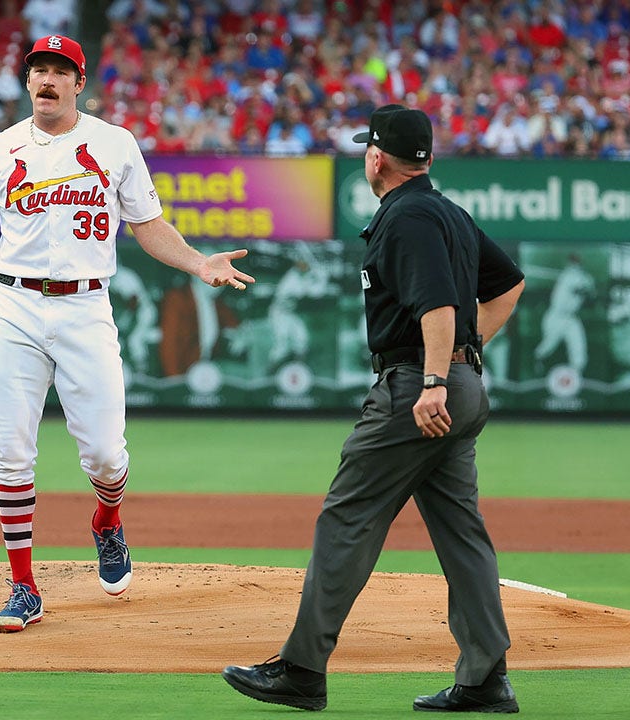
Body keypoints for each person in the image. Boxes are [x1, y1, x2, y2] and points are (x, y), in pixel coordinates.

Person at [0, 34, 254, 633]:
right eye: (38, 69)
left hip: (85, 307)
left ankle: (108, 519)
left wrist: (200, 263)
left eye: (59, 70)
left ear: (79, 81)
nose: (47, 79)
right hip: (14, 305)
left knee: (104, 454)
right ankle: (23, 586)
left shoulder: (114, 144)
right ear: (27, 82)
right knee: (11, 453)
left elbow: (148, 227)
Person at [221, 104, 526, 713]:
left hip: (419, 387)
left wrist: (436, 378)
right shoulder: (449, 213)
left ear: (377, 158)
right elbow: (509, 283)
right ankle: (486, 676)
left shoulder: (407, 216)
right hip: (460, 385)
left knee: (348, 517)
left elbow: (437, 303)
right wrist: (466, 355)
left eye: (367, 147)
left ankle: (302, 670)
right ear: (428, 159)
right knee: (461, 531)